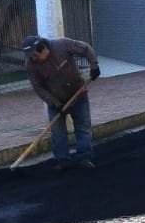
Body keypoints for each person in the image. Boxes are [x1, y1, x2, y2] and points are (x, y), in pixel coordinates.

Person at [23, 34, 100, 169]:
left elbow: (86, 49)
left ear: (42, 48)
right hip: (56, 101)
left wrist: (94, 65)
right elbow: (38, 88)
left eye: (34, 55)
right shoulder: (31, 65)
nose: (32, 59)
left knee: (83, 127)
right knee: (58, 133)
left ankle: (84, 157)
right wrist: (55, 103)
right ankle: (62, 160)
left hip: (78, 94)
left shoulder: (62, 45)